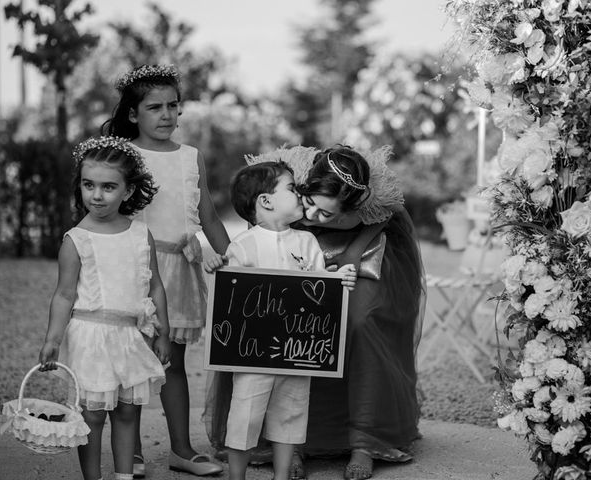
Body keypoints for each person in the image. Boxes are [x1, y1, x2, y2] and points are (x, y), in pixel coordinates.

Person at [205, 145, 425, 480]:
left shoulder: (370, 198)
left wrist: (351, 252)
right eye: (310, 204)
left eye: (328, 214)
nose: (316, 217)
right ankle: (291, 446)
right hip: (299, 251)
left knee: (360, 322)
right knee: (288, 328)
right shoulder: (294, 176)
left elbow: (389, 216)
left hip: (358, 252)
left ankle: (364, 441)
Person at [102, 64, 228, 477]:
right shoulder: (123, 155)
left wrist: (236, 259)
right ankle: (131, 452)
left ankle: (181, 449)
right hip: (136, 269)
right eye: (155, 107)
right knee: (134, 360)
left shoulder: (190, 157)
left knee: (172, 361)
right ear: (134, 113)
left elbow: (206, 212)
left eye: (174, 105)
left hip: (180, 267)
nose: (167, 115)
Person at [203, 160, 357, 480]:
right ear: (266, 201)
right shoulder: (243, 245)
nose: (300, 193)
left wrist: (337, 277)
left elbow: (319, 286)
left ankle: (282, 475)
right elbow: (231, 294)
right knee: (245, 412)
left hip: (295, 350)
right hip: (253, 353)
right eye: (291, 187)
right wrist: (220, 269)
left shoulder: (306, 242)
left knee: (291, 412)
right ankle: (237, 476)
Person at [38, 136, 172, 480]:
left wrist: (163, 331)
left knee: (127, 412)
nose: (96, 195)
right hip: (90, 336)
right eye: (88, 185)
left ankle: (124, 476)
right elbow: (64, 294)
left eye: (108, 187)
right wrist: (53, 337)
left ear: (128, 191)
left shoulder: (141, 235)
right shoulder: (76, 239)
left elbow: (154, 284)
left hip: (130, 335)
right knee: (92, 415)